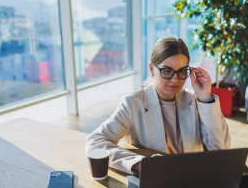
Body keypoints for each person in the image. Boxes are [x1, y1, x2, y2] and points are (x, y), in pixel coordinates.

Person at [86, 36, 231, 174]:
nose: (175, 79)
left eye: (181, 71)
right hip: (154, 181)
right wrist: (140, 163)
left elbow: (219, 151)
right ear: (151, 70)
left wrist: (205, 98)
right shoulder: (133, 103)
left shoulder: (195, 101)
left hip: (190, 179)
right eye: (166, 71)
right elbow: (95, 141)